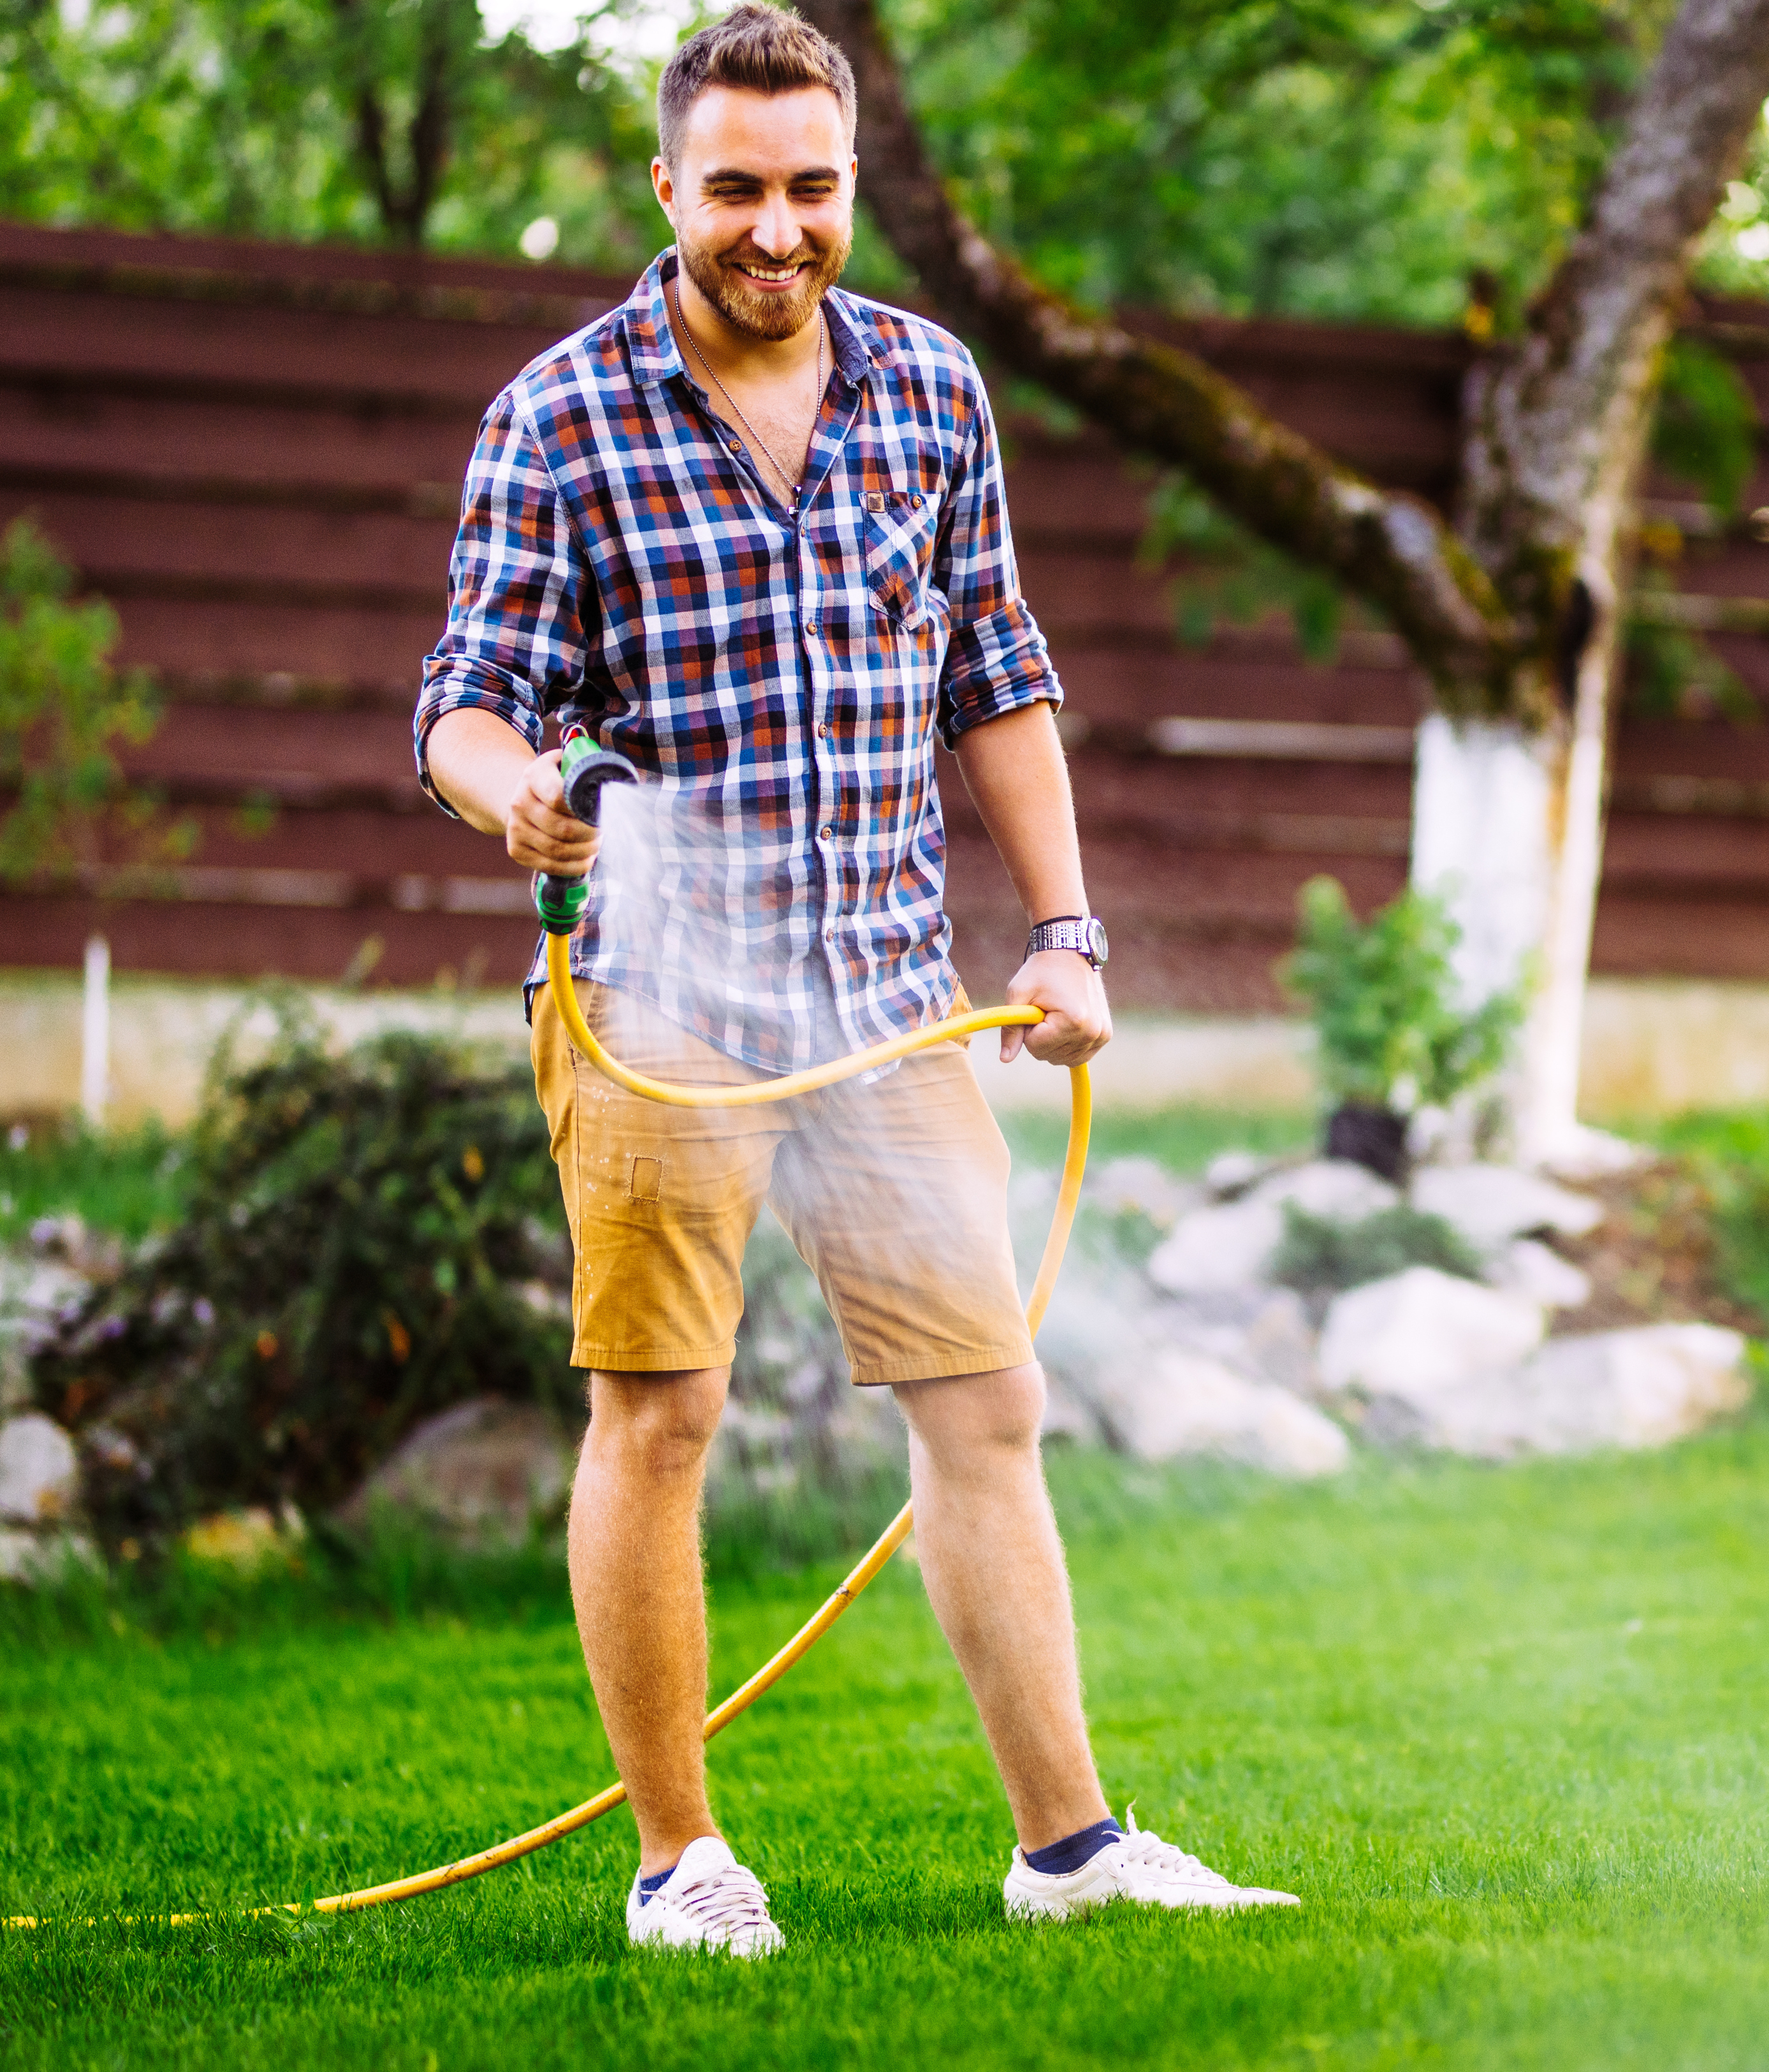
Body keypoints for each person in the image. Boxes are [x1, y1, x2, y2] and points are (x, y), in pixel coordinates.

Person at [415, 3, 1293, 1958]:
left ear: (850, 187)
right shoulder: (562, 413)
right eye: (737, 188)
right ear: (668, 187)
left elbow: (999, 671)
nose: (777, 228)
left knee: (986, 1407)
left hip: (889, 992)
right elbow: (462, 705)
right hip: (661, 1005)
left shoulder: (925, 388)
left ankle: (1068, 1853)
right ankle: (679, 1868)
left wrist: (1065, 934)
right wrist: (527, 799)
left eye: (813, 188)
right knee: (666, 1409)